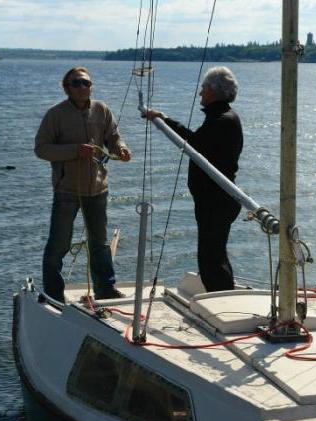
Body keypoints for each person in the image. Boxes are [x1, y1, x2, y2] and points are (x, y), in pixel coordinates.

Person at [35, 66, 131, 302]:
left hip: (98, 189)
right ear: (66, 88)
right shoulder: (55, 115)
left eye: (86, 83)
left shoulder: (102, 110)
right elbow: (42, 149)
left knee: (99, 243)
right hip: (67, 190)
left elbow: (113, 137)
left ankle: (105, 289)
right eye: (76, 83)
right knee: (58, 246)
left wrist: (121, 149)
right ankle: (54, 294)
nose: (82, 87)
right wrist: (75, 151)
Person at [145, 66, 242, 292]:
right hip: (214, 200)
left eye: (204, 89)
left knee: (211, 260)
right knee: (213, 255)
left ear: (215, 92)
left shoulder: (223, 120)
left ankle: (222, 300)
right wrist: (165, 120)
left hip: (217, 201)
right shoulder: (220, 118)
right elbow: (198, 141)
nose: (200, 94)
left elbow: (194, 144)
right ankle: (223, 295)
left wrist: (165, 120)